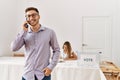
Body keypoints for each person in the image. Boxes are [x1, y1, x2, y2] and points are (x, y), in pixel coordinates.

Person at [11, 7, 60, 80]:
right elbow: (13, 48)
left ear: (39, 16)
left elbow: (56, 50)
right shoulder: (24, 33)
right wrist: (23, 31)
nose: (31, 18)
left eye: (33, 15)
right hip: (27, 75)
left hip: (43, 75)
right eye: (28, 16)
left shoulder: (50, 32)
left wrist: (51, 67)